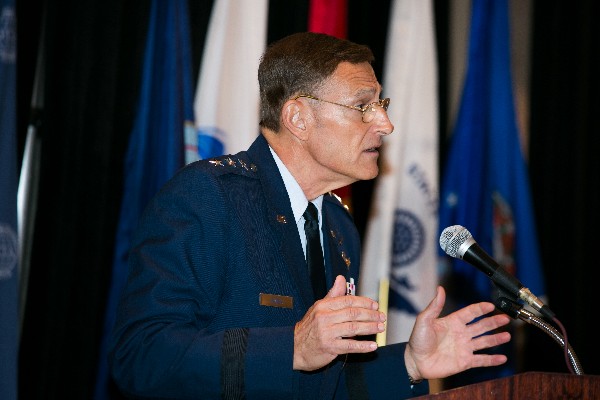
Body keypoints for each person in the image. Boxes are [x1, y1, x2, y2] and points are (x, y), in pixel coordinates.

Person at [108, 32, 511, 399]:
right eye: (363, 106)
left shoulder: (338, 226)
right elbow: (141, 356)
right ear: (298, 117)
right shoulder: (209, 196)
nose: (385, 124)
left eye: (381, 105)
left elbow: (323, 386)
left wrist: (410, 362)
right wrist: (293, 348)